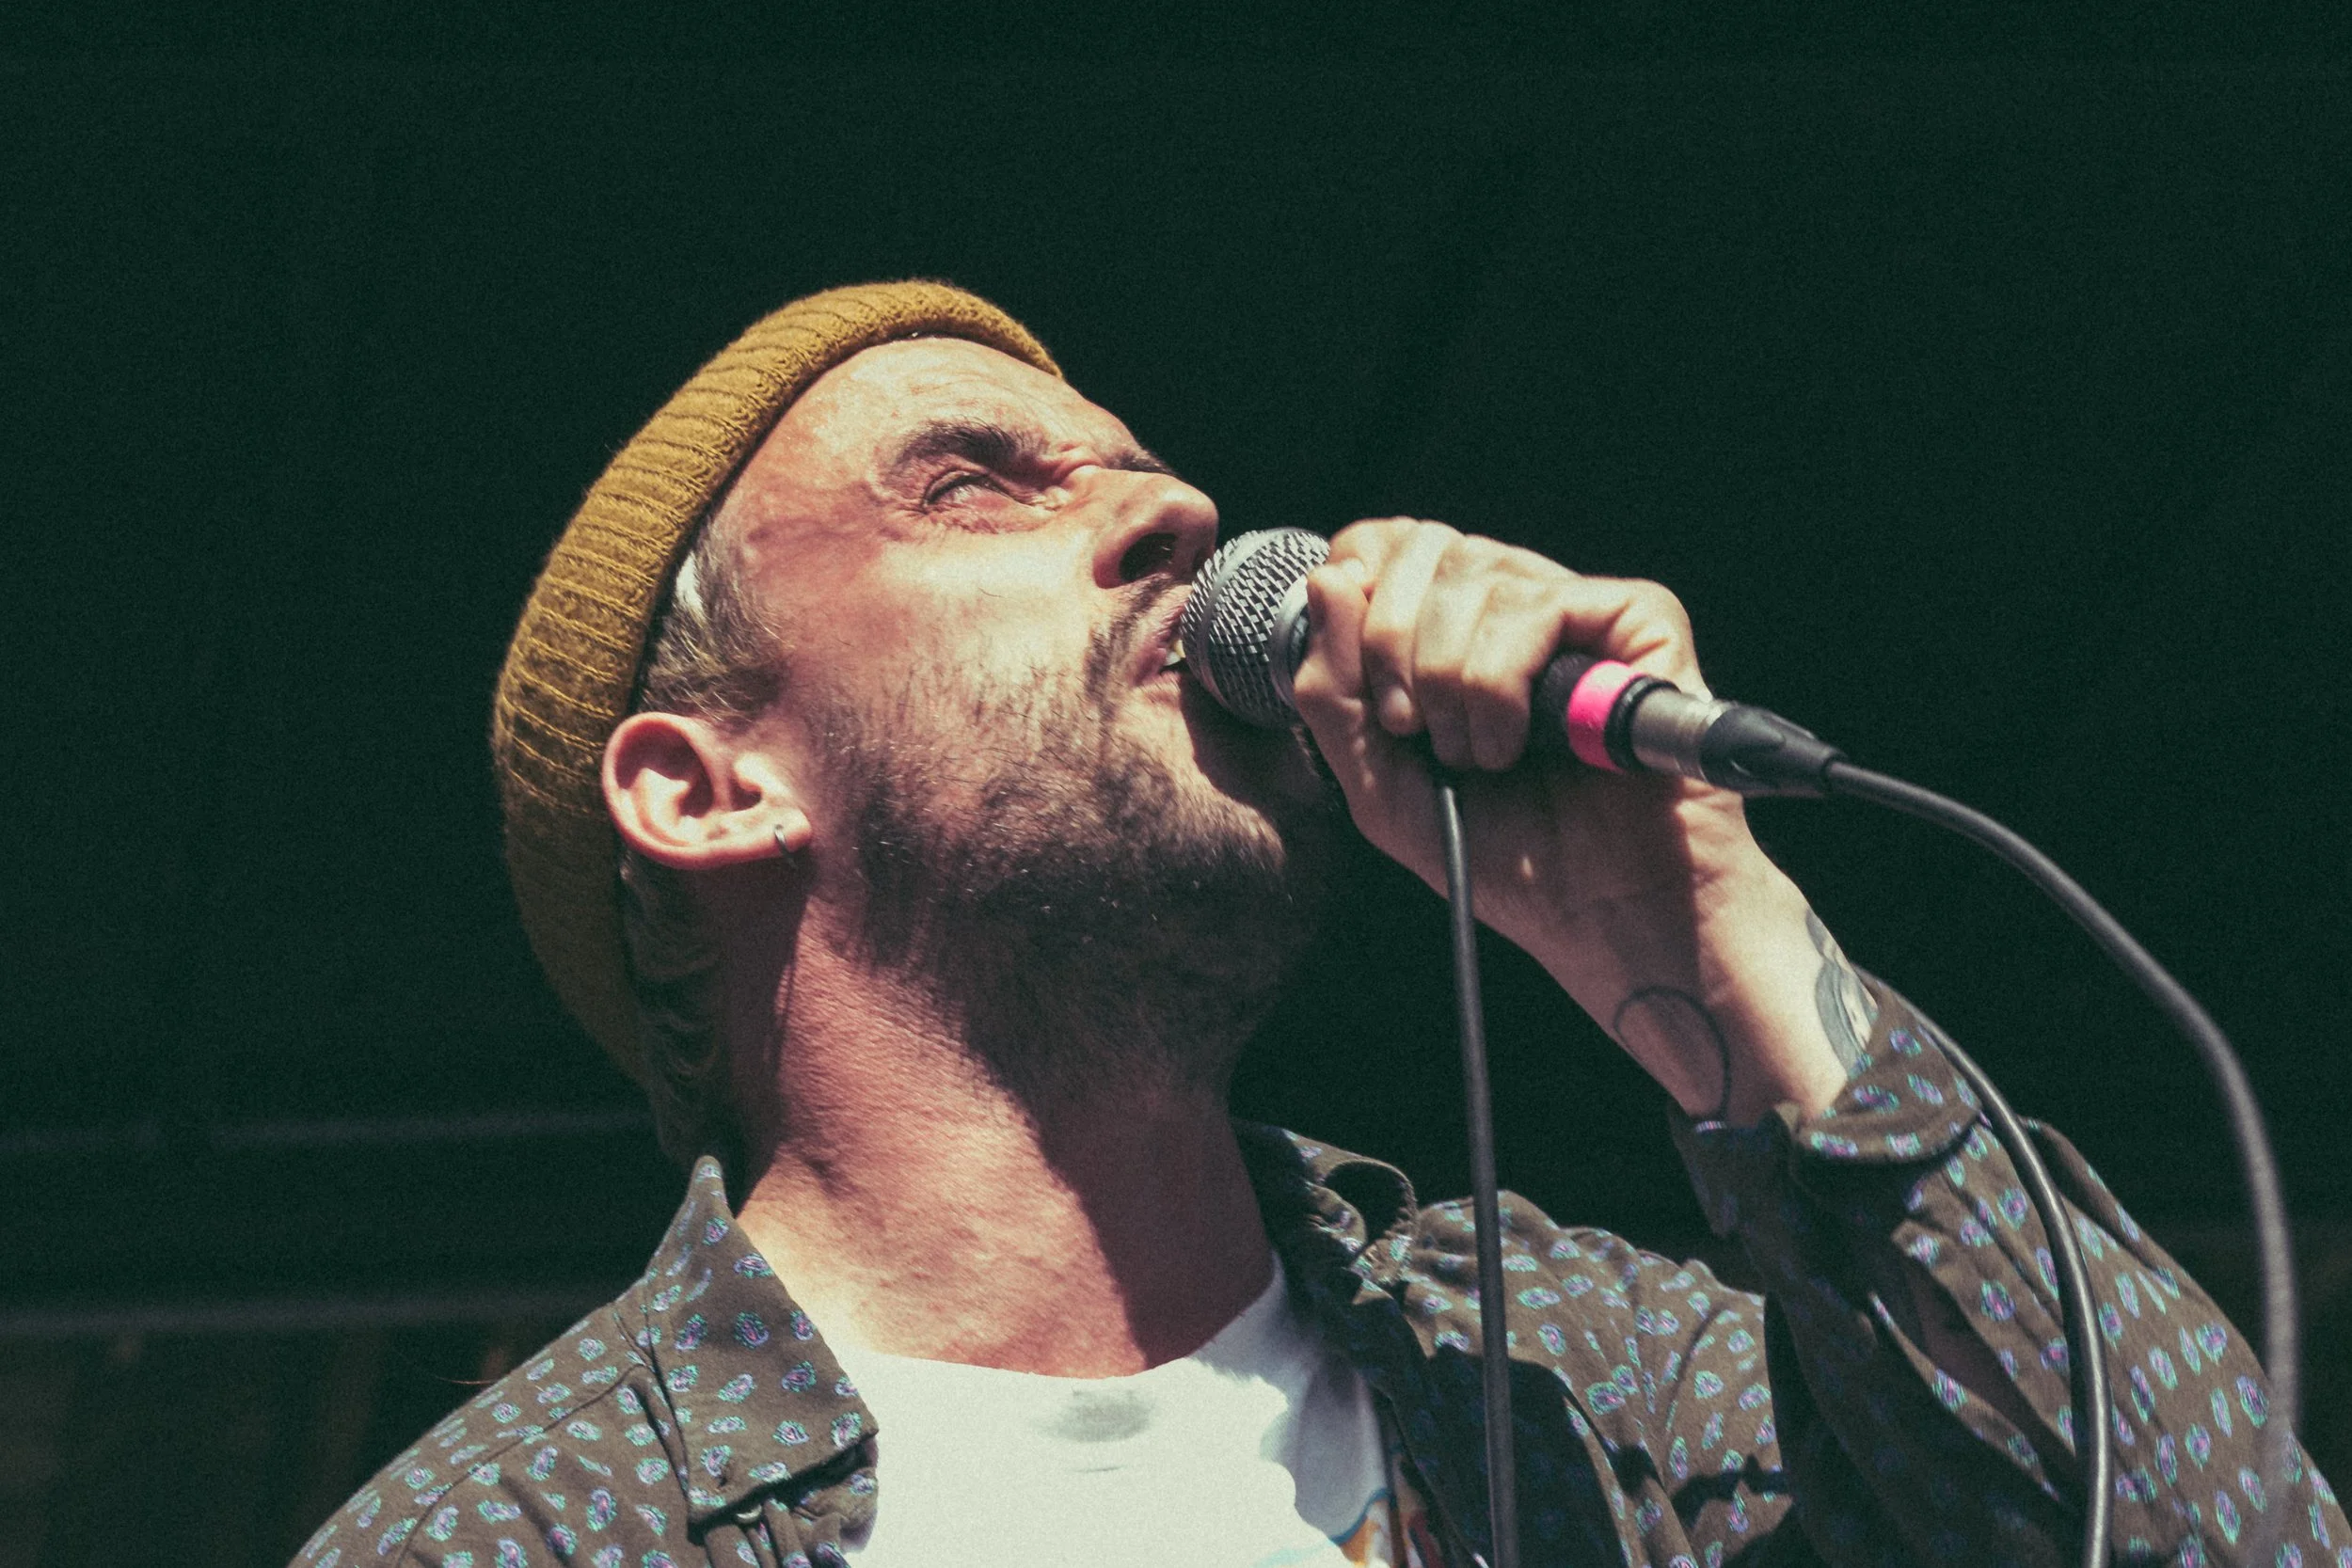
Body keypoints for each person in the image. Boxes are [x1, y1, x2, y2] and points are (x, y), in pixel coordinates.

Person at [296, 282, 2341, 1568]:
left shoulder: (1561, 1368)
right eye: (973, 484)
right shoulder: (528, 1531)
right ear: (707, 781)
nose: (1174, 509)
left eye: (1134, 462)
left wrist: (1708, 933)